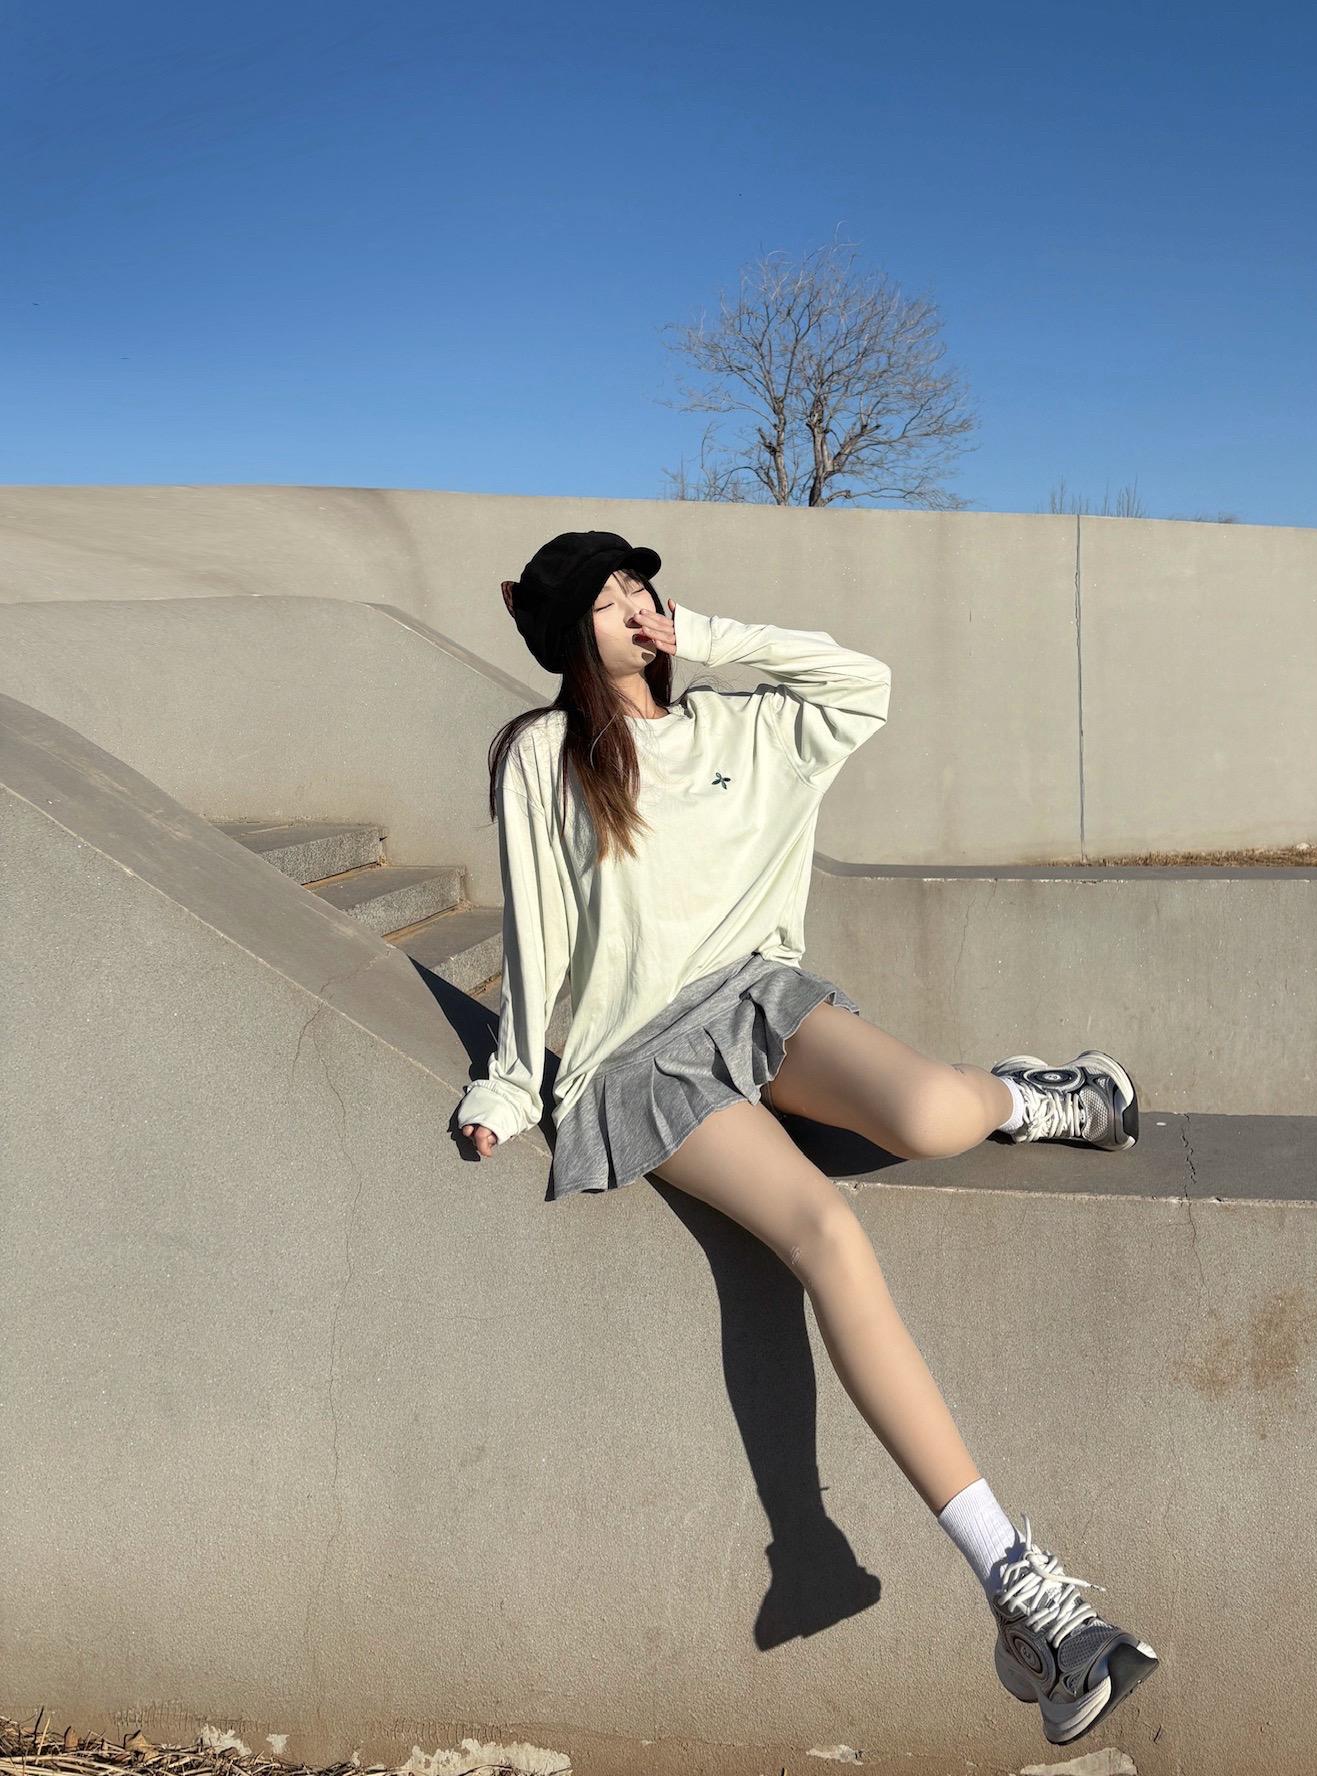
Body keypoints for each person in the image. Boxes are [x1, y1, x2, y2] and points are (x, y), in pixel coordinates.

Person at [455, 527, 1159, 1749]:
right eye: (609, 600)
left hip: (761, 998)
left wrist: (708, 637)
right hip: (647, 1059)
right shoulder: (544, 754)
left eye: (641, 585)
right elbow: (537, 930)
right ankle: (1020, 1594)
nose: (637, 605)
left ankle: (1025, 1096)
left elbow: (864, 680)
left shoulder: (746, 727)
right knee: (827, 1233)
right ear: (568, 636)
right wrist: (513, 1086)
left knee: (931, 1114)